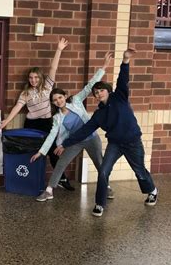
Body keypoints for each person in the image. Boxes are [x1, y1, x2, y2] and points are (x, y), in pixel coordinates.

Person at [57, 49, 158, 217]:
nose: (98, 93)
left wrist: (125, 61)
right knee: (103, 171)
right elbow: (83, 131)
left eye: (101, 90)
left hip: (133, 142)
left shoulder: (120, 97)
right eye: (96, 93)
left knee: (139, 170)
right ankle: (99, 204)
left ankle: (152, 190)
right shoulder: (98, 115)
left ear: (107, 90)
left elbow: (123, 80)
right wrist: (64, 144)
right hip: (115, 145)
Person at [31, 52, 114, 202]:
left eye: (60, 97)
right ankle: (49, 191)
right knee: (61, 163)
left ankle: (106, 186)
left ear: (65, 96)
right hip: (74, 141)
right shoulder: (57, 118)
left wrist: (104, 66)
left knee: (99, 163)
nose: (58, 101)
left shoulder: (76, 101)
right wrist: (41, 152)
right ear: (53, 103)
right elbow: (52, 135)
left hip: (91, 138)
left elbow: (90, 86)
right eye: (55, 100)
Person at [0, 38, 75, 191]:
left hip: (47, 123)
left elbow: (53, 68)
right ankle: (29, 178)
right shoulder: (26, 93)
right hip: (31, 125)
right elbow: (17, 107)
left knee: (53, 151)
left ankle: (62, 178)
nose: (33, 80)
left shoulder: (47, 87)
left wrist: (59, 49)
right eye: (31, 77)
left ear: (40, 78)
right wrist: (6, 121)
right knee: (31, 152)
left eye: (36, 77)